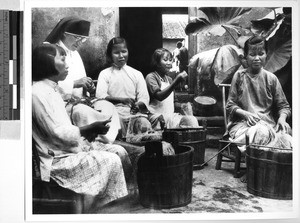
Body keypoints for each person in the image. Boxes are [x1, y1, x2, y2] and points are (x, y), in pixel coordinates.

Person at [32, 43, 128, 210]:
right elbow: (56, 133)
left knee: (118, 151)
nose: (67, 64)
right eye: (62, 58)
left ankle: (104, 206)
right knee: (111, 160)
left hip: (69, 148)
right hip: (56, 159)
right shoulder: (37, 93)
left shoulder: (53, 90)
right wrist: (88, 130)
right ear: (47, 63)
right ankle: (95, 210)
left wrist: (87, 135)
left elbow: (63, 128)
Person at [45, 16, 120, 144]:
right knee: (83, 112)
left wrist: (87, 86)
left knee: (108, 106)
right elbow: (46, 82)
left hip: (79, 100)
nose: (80, 42)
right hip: (60, 103)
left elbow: (82, 81)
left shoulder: (75, 53)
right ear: (64, 33)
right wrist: (75, 83)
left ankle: (106, 140)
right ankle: (93, 140)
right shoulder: (50, 50)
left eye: (83, 39)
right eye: (77, 38)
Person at [226, 35, 292, 156]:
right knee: (260, 133)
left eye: (261, 53)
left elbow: (284, 106)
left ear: (266, 54)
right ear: (246, 56)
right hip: (243, 126)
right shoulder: (239, 76)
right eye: (252, 54)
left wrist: (282, 119)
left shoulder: (271, 78)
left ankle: (269, 169)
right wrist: (245, 114)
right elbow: (230, 105)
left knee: (289, 140)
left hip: (269, 125)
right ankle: (257, 169)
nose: (257, 58)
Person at [95, 37, 152, 137]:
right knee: (116, 131)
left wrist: (138, 105)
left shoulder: (136, 74)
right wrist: (121, 100)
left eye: (124, 51)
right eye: (116, 53)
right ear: (110, 55)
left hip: (133, 114)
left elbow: (144, 97)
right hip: (113, 113)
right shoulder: (105, 74)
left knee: (144, 126)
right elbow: (100, 96)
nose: (121, 56)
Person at [146, 48, 199, 129]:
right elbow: (159, 96)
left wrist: (183, 106)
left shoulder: (169, 79)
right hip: (156, 115)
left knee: (191, 121)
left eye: (170, 60)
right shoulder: (151, 77)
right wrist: (176, 82)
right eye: (165, 60)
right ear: (157, 63)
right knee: (163, 123)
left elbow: (174, 102)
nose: (169, 63)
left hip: (170, 116)